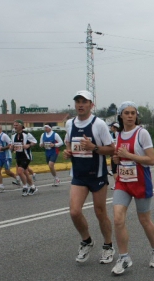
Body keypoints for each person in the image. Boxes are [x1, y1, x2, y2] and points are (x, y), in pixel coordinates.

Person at [63, 90, 115, 264]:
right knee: (74, 211)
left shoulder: (98, 124)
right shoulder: (70, 124)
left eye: (84, 102)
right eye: (77, 101)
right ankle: (86, 241)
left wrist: (93, 147)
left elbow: (111, 149)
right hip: (79, 174)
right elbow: (68, 142)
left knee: (100, 213)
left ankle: (108, 245)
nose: (80, 105)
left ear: (91, 105)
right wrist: (68, 151)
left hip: (97, 175)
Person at [111, 101, 154, 275]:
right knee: (118, 219)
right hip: (123, 182)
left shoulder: (143, 134)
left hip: (140, 181)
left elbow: (151, 160)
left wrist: (128, 155)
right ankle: (124, 257)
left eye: (133, 113)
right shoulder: (117, 136)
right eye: (127, 113)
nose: (130, 116)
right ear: (121, 116)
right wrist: (117, 160)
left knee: (144, 220)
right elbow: (117, 157)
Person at [10, 120, 38, 196]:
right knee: (25, 173)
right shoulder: (13, 136)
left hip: (26, 156)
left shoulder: (27, 134)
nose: (15, 127)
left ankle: (25, 187)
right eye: (14, 125)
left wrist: (28, 145)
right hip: (18, 156)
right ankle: (33, 187)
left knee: (19, 172)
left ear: (21, 126)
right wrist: (12, 148)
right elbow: (12, 146)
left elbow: (35, 142)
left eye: (16, 125)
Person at [0, 124, 18, 193]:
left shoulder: (4, 135)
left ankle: (17, 178)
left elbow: (10, 144)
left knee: (7, 172)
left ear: (0, 129)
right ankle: (1, 186)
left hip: (7, 156)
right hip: (0, 156)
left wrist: (2, 148)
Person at [109, 122, 120, 189]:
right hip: (114, 153)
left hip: (117, 154)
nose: (110, 128)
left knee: (115, 170)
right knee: (115, 169)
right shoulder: (111, 134)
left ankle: (117, 184)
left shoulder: (118, 134)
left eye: (111, 126)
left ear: (115, 127)